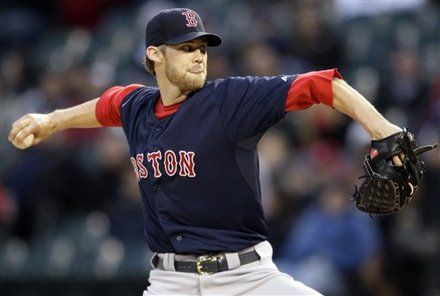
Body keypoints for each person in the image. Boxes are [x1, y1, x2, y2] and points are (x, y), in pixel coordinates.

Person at [9, 8, 403, 295]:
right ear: (155, 54)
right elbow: (104, 106)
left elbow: (322, 85)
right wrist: (51, 120)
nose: (199, 55)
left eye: (202, 46)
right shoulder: (136, 106)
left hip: (248, 280)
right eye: (185, 48)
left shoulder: (230, 99)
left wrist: (382, 128)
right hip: (170, 282)